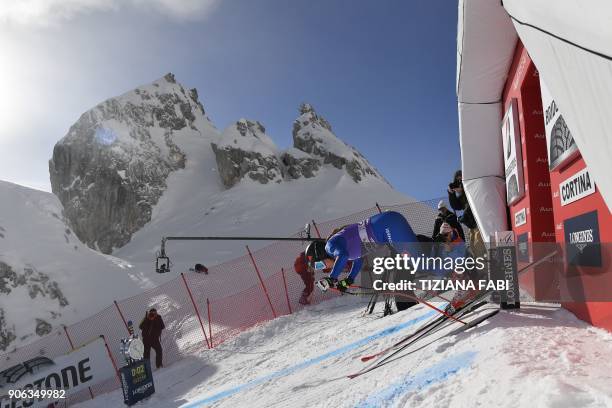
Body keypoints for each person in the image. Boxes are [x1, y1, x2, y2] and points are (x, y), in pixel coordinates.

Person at [307, 211, 421, 296]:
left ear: (321, 255)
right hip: (388, 226)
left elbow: (343, 255)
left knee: (418, 263)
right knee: (414, 261)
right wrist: (349, 280)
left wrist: (331, 278)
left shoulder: (329, 246)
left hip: (388, 227)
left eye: (319, 265)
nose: (322, 268)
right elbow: (358, 261)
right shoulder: (342, 248)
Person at [447, 170, 485, 258]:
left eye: (461, 180)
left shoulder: (471, 190)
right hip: (471, 226)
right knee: (474, 248)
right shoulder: (462, 196)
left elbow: (472, 205)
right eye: (458, 181)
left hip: (479, 223)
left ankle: (484, 270)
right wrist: (451, 194)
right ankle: (482, 270)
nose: (459, 183)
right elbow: (456, 206)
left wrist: (463, 190)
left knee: (478, 247)